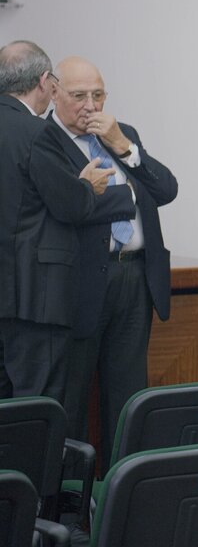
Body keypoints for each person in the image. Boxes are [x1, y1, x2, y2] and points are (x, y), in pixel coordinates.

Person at [48, 56, 178, 468]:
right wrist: (128, 196)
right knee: (71, 397)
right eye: (79, 96)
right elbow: (71, 208)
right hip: (79, 282)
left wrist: (124, 146)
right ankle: (71, 497)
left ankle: (125, 488)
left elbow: (167, 189)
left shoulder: (123, 135)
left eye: (98, 95)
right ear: (54, 92)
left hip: (135, 274)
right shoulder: (44, 141)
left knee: (128, 394)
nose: (90, 106)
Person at [0, 41, 111, 401]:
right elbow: (71, 206)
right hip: (34, 297)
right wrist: (87, 185)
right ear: (45, 82)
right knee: (36, 406)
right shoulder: (35, 132)